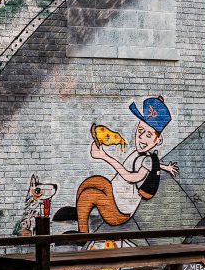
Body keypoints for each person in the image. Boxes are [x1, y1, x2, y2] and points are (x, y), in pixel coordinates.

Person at [72, 96, 179, 233]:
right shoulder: (142, 155)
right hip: (114, 193)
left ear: (158, 140)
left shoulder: (145, 160)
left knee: (88, 196)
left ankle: (83, 236)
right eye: (140, 131)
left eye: (149, 135)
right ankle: (80, 216)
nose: (142, 138)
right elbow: (155, 165)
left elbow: (129, 177)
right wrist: (167, 167)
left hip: (120, 210)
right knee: (91, 183)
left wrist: (104, 156)